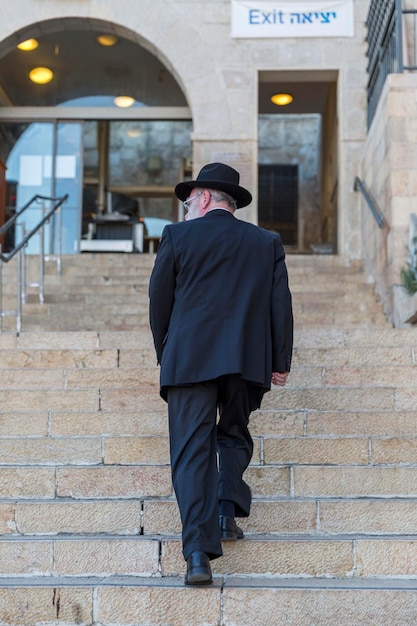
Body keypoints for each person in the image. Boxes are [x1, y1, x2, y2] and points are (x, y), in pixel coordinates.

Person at [149, 162, 293, 586]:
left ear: (206, 198)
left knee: (191, 452)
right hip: (245, 360)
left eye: (189, 202)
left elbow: (160, 302)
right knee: (233, 433)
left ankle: (197, 554)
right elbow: (279, 305)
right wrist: (279, 360)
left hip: (189, 359)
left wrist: (167, 352)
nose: (186, 210)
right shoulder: (266, 242)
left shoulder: (177, 236)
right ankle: (226, 513)